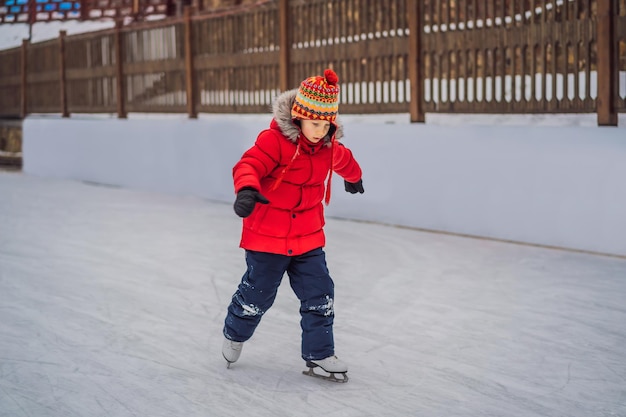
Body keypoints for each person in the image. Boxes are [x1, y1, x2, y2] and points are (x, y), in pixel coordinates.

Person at [221, 68, 364, 379]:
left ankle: (320, 353)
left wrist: (354, 177)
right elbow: (249, 164)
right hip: (267, 237)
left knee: (320, 293)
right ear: (299, 117)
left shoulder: (328, 146)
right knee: (258, 295)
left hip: (308, 238)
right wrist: (246, 189)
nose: (320, 130)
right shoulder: (274, 141)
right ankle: (234, 332)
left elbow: (344, 159)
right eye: (314, 123)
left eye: (327, 124)